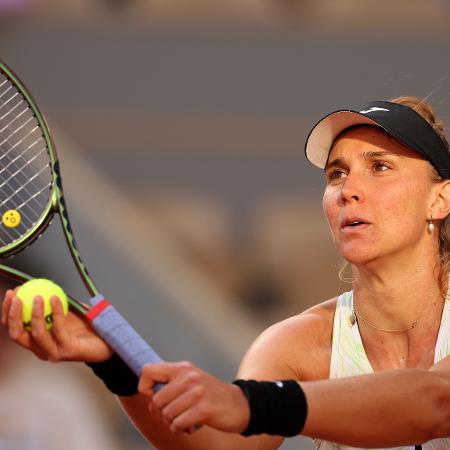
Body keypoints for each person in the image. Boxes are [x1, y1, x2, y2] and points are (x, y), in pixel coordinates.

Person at [4, 95, 450, 449]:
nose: (349, 190)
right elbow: (222, 446)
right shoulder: (296, 344)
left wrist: (248, 402)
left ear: (439, 200)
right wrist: (114, 363)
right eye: (337, 174)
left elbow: (433, 401)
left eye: (379, 167)